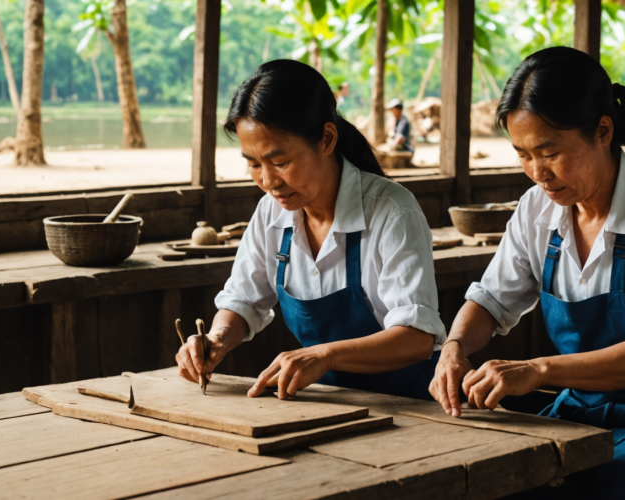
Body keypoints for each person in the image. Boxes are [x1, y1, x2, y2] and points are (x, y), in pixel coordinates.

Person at [428, 46, 625, 499]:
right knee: (493, 478)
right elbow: (491, 301)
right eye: (522, 155)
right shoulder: (537, 209)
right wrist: (453, 348)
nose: (538, 173)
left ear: (603, 131)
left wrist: (536, 369)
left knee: (608, 487)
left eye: (549, 152)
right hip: (579, 413)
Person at [175, 60, 445, 401]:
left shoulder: (391, 211)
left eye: (280, 162)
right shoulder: (272, 213)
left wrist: (323, 355)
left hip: (413, 404)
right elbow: (244, 300)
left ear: (327, 139)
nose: (269, 182)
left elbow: (417, 338)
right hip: (329, 404)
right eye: (254, 164)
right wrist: (216, 339)